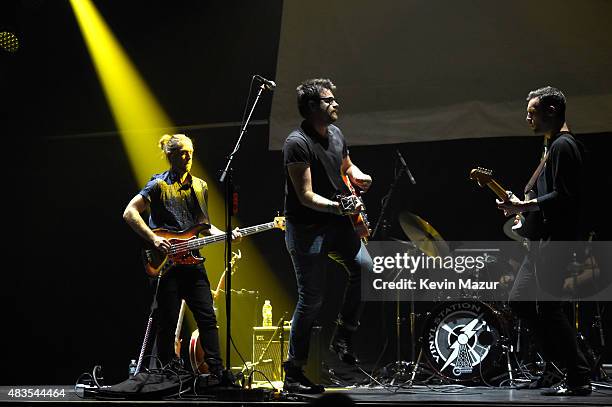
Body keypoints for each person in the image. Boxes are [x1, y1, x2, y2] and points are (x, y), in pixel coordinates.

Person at [497, 86, 591, 396]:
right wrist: (524, 206)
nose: (527, 117)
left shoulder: (564, 146)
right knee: (520, 301)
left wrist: (524, 207)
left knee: (549, 309)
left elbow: (566, 197)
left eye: (532, 112)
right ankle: (554, 369)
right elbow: (545, 195)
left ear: (551, 111)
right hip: (543, 240)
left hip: (558, 241)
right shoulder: (550, 147)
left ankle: (578, 376)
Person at [282, 78, 374, 393]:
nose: (335, 104)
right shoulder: (297, 143)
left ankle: (344, 335)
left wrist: (358, 176)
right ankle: (293, 373)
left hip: (338, 224)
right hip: (308, 230)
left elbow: (346, 166)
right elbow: (306, 195)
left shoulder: (335, 134)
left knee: (365, 269)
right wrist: (339, 207)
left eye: (334, 99)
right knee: (312, 300)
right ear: (311, 107)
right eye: (328, 100)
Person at [123, 133, 240, 378]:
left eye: (190, 152)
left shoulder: (200, 186)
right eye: (182, 153)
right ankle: (168, 371)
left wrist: (227, 234)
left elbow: (204, 226)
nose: (188, 157)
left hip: (193, 262)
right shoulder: (157, 185)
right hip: (166, 264)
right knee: (167, 319)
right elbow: (130, 212)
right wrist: (154, 238)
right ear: (170, 155)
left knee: (207, 316)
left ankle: (216, 371)